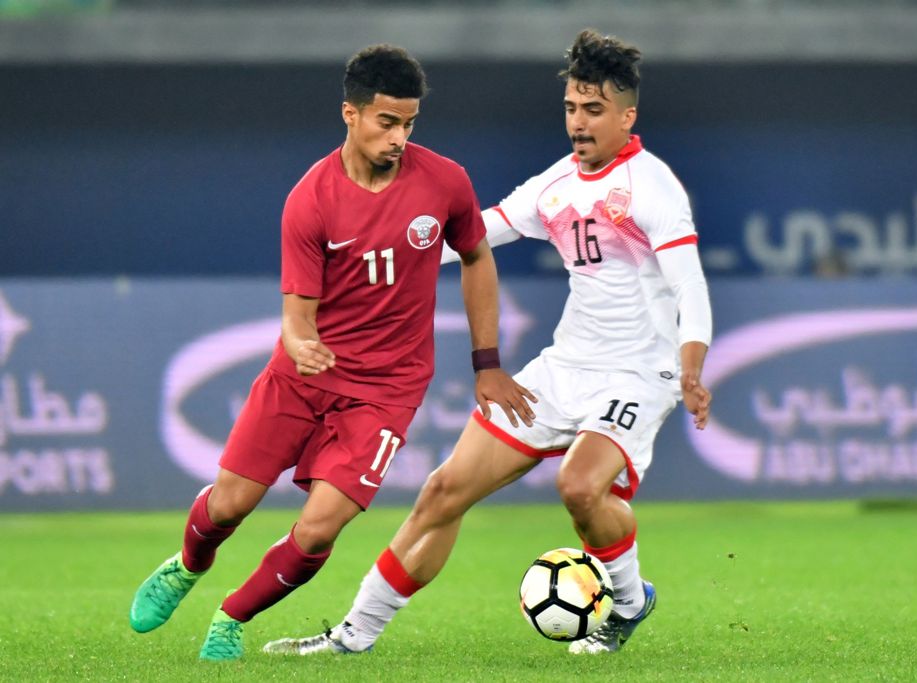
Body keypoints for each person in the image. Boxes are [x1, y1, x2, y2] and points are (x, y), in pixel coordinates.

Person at [263, 28, 713, 657]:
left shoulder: (652, 188)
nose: (578, 123)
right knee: (443, 493)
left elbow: (689, 287)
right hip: (565, 367)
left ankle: (631, 601)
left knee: (581, 487)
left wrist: (691, 367)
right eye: (571, 109)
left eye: (594, 110)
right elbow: (477, 234)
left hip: (641, 373)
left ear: (626, 115)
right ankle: (352, 637)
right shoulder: (555, 185)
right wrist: (378, 255)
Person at [127, 44, 535, 661]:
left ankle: (231, 617)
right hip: (302, 375)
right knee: (231, 503)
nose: (399, 137)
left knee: (320, 528)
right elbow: (296, 320)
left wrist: (486, 362)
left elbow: (477, 257)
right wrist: (303, 346)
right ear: (350, 113)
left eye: (409, 124)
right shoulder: (311, 199)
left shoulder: (445, 182)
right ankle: (187, 565)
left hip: (387, 389)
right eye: (386, 122)